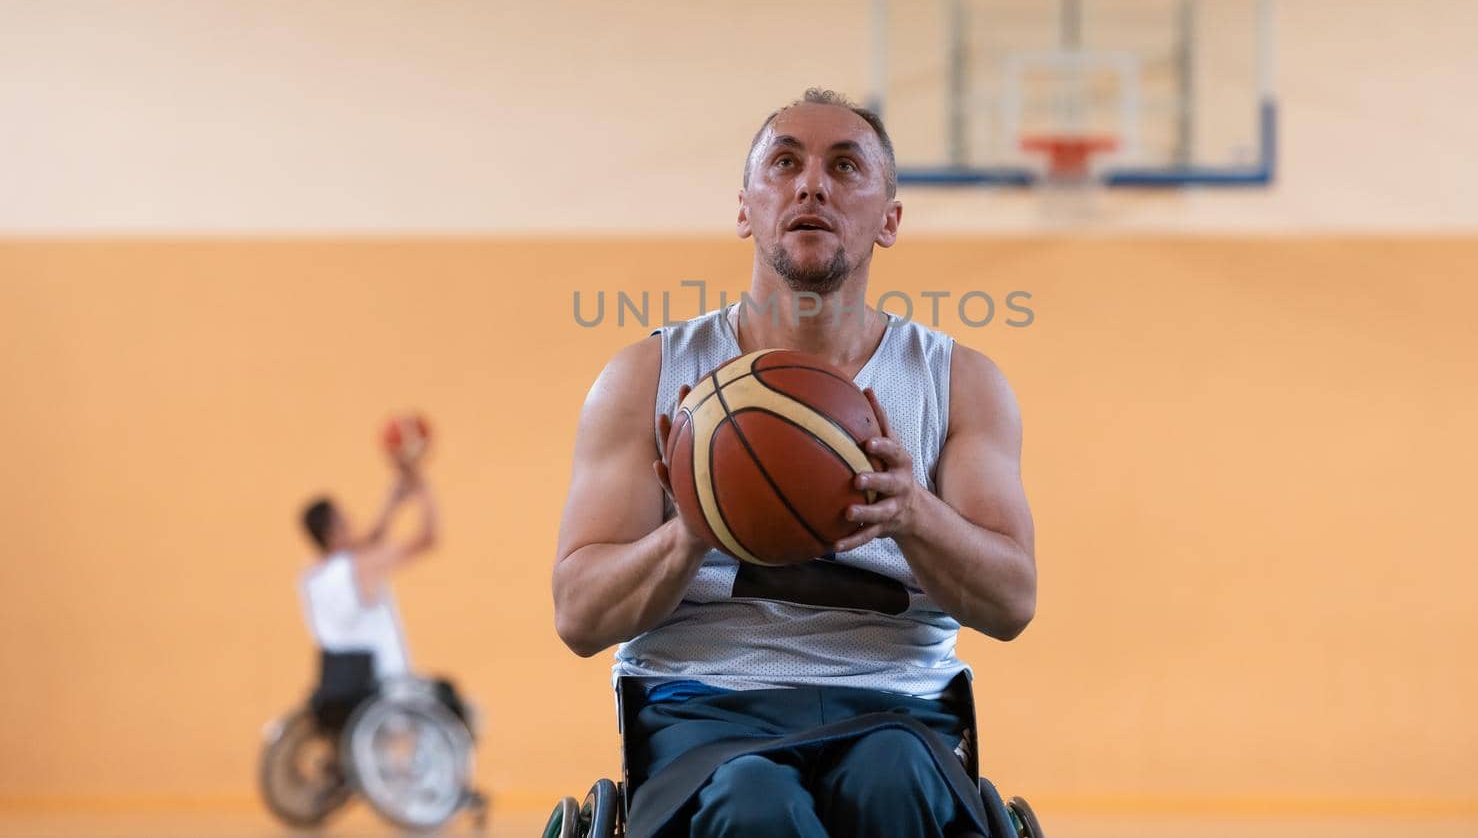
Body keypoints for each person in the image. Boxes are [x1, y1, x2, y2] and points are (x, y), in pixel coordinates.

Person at [553, 88, 1037, 838]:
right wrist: (690, 530)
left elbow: (1012, 602)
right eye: (785, 163)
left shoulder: (960, 381)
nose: (812, 184)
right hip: (702, 701)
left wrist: (913, 511)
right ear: (746, 206)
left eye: (846, 166)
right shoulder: (649, 376)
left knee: (893, 775)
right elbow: (579, 615)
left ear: (890, 219)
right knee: (754, 802)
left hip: (895, 703)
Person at [298, 451, 469, 725]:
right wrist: (421, 485)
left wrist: (393, 500)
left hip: (344, 685)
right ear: (334, 531)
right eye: (345, 520)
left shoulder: (311, 577)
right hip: (387, 683)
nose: (353, 523)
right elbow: (427, 537)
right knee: (453, 701)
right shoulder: (360, 566)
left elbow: (369, 540)